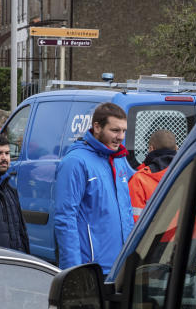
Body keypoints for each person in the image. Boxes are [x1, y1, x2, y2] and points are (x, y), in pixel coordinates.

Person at [54, 102, 135, 273]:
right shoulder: (75, 162)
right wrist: (73, 271)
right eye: (115, 130)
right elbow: (65, 219)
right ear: (97, 127)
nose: (121, 136)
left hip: (120, 266)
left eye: (124, 131)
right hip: (92, 269)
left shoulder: (119, 159)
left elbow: (126, 211)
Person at [128, 129, 177, 223]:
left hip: (154, 237)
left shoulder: (139, 180)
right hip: (186, 236)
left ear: (151, 149)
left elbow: (135, 221)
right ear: (176, 148)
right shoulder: (190, 171)